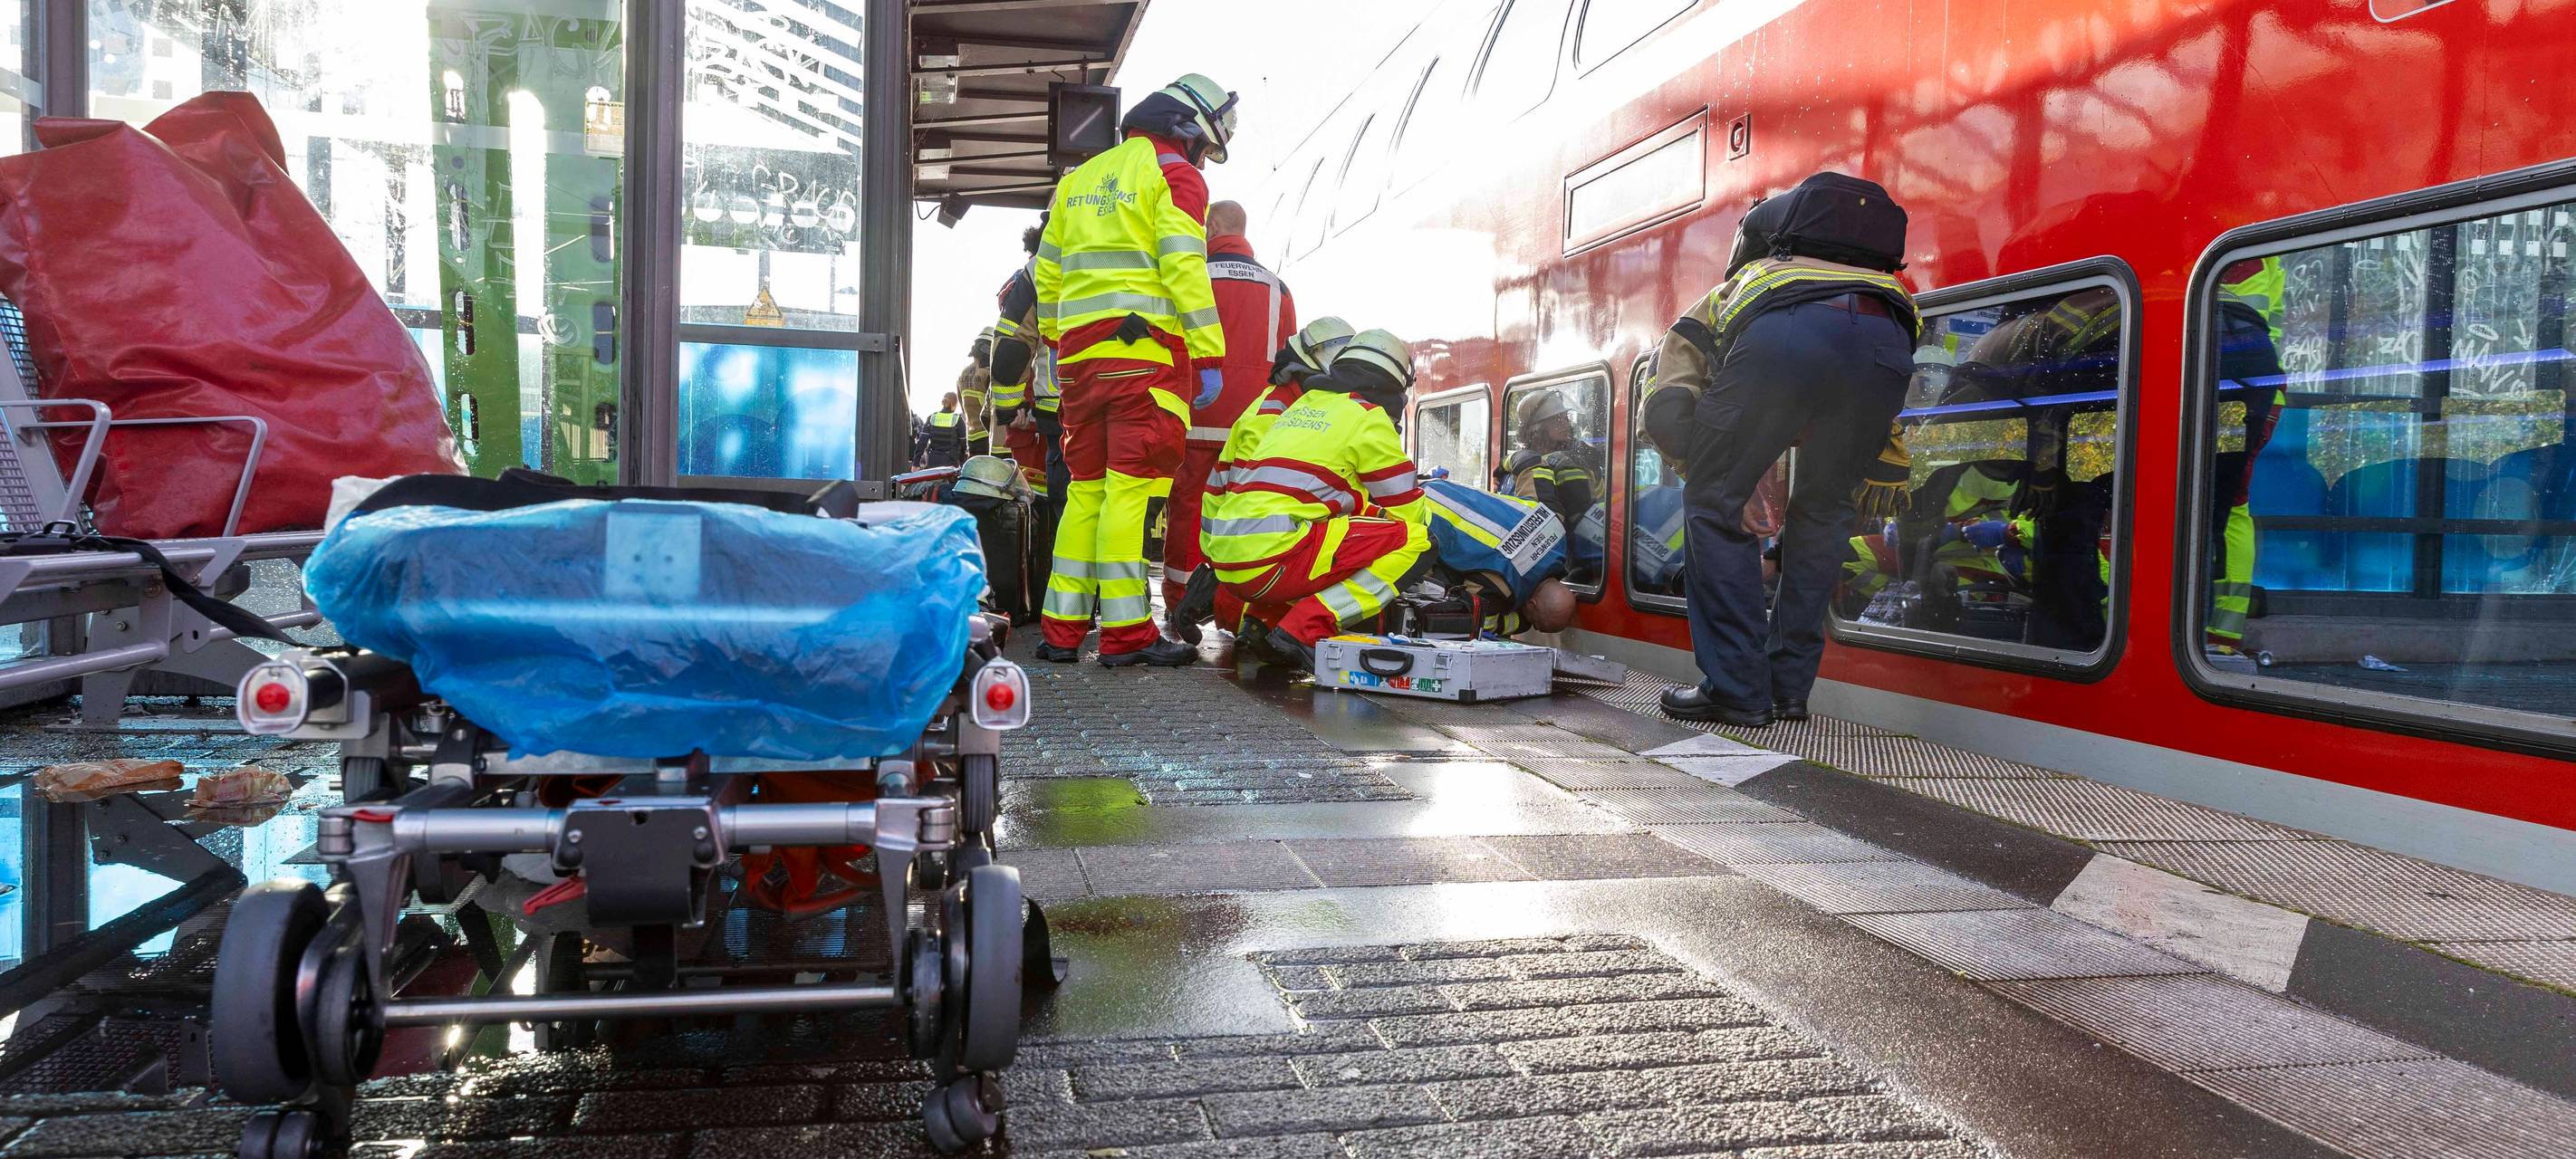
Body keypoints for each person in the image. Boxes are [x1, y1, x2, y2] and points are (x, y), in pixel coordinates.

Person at [1655, 171, 1919, 727]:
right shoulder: (1889, 293)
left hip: (1784, 344)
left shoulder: (1747, 285)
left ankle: (1736, 690)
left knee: (1712, 508)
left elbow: (1668, 409)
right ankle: (1789, 692)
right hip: (1888, 350)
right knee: (1823, 514)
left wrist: (1719, 481)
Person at [1032, 73, 1238, 668]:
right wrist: (1208, 353)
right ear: (1187, 128)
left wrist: (1059, 340)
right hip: (1140, 353)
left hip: (1078, 357)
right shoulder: (1175, 174)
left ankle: (1061, 632)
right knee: (1127, 491)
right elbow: (1182, 268)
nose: (1204, 156)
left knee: (1085, 493)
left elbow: (1047, 273)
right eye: (1205, 143)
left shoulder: (1078, 181)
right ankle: (1126, 636)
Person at [1198, 330, 1428, 670]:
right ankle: (1305, 628)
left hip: (1227, 561)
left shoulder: (1299, 407)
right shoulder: (1367, 417)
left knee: (1326, 535)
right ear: (1394, 386)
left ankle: (1263, 624)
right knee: (1418, 542)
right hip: (1270, 560)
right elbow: (1407, 511)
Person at [1166, 314, 1356, 644]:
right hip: (1254, 546)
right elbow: (1264, 497)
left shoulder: (1283, 403)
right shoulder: (1284, 414)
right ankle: (1245, 611)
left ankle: (1239, 609)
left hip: (1234, 546)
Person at [1165, 200, 1297, 621]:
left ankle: (1180, 600)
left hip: (1196, 416)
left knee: (1188, 505)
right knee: (1244, 512)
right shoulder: (1279, 288)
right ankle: (1234, 606)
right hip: (1256, 426)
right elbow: (1290, 361)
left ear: (1214, 227)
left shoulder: (1193, 277)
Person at [1419, 477, 1580, 637]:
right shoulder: (1501, 586)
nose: (1534, 626)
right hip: (1418, 519)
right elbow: (1482, 621)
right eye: (1537, 624)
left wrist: (1505, 466)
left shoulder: (1557, 532)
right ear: (1532, 604)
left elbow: (1532, 468)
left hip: (1438, 488)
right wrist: (1521, 621)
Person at [990, 215, 1067, 512]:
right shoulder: (1128, 253)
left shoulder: (1034, 273)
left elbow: (1013, 344)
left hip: (1054, 406)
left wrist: (1011, 407)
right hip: (1132, 394)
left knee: (1061, 500)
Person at [958, 330, 995, 461]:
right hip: (987, 434)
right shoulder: (988, 373)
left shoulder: (963, 373)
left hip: (972, 435)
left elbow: (962, 406)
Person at [921, 390, 967, 468]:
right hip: (950, 463)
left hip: (933, 461)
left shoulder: (932, 418)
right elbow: (963, 443)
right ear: (955, 404)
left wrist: (915, 463)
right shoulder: (957, 419)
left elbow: (922, 441)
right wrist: (962, 461)